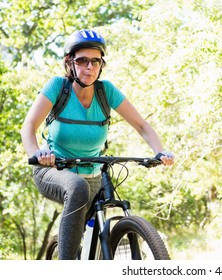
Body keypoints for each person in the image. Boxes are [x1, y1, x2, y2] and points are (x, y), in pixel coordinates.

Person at [20, 29, 174, 260]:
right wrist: (37, 153)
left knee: (104, 202)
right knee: (77, 189)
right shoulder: (57, 87)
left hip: (92, 173)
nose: (89, 67)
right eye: (82, 61)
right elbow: (28, 126)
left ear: (102, 64)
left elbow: (141, 125)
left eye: (95, 61)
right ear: (69, 63)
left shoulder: (106, 91)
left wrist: (159, 151)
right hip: (52, 170)